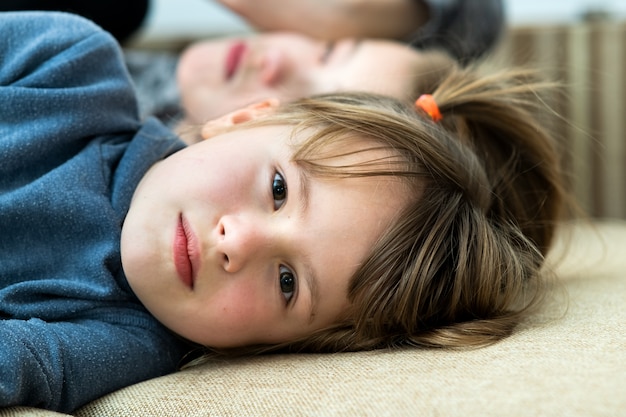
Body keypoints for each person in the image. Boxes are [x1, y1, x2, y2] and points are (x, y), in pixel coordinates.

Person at [1, 11, 566, 414]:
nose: (237, 241)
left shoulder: (126, 341)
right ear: (243, 117)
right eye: (277, 188)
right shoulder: (64, 64)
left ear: (274, 344)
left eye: (289, 282)